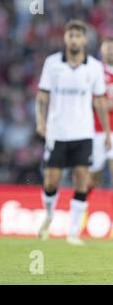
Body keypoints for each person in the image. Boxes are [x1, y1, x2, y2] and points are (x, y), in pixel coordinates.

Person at [35, 20, 110, 246]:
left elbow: (99, 101)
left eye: (78, 35)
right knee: (51, 181)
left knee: (81, 180)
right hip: (57, 132)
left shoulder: (94, 67)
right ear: (65, 38)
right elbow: (42, 96)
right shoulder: (53, 64)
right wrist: (41, 122)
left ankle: (74, 232)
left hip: (83, 132)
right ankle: (49, 214)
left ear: (84, 40)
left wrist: (107, 132)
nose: (74, 39)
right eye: (71, 35)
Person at [89, 37, 113, 191]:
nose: (110, 51)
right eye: (107, 48)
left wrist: (105, 103)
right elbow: (94, 102)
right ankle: (92, 211)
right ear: (101, 50)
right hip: (95, 131)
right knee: (93, 178)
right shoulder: (95, 72)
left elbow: (102, 102)